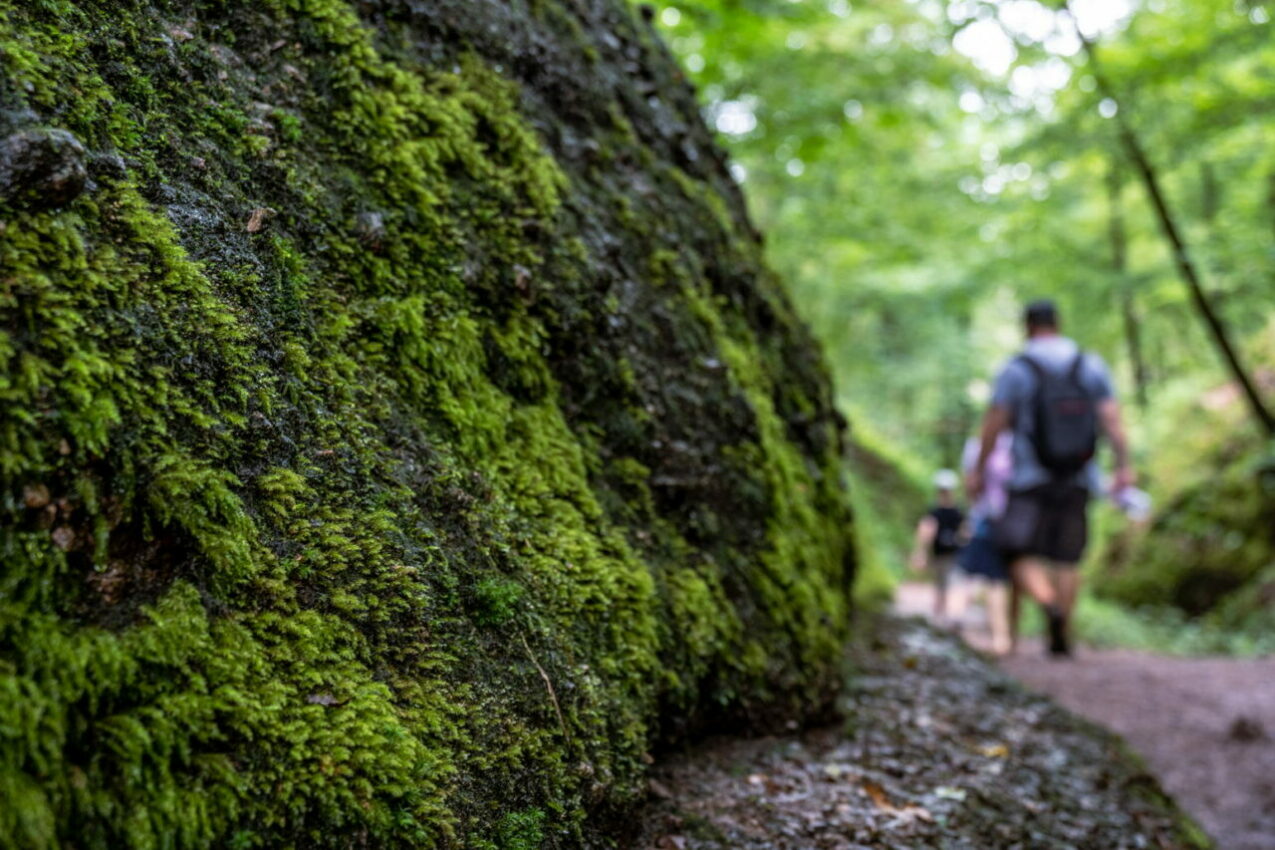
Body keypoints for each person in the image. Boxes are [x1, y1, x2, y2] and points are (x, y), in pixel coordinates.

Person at [968, 299, 1133, 657]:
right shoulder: (1090, 365)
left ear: (1027, 326)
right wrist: (1123, 466)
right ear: (1058, 323)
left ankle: (1047, 604)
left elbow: (995, 421)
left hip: (1029, 477)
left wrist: (978, 470)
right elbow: (1113, 419)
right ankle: (1063, 635)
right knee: (1068, 557)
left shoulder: (1016, 369)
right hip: (1079, 476)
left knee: (1015, 550)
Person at [952, 430, 1015, 655]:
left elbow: (970, 486)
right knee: (997, 581)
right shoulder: (1019, 443)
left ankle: (961, 622)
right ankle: (1002, 637)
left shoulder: (976, 446)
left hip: (984, 519)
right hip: (1014, 521)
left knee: (971, 576)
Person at [909, 469, 965, 622]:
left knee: (951, 582)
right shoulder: (935, 511)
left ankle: (948, 616)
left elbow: (965, 531)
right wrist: (920, 552)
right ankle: (940, 614)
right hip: (939, 553)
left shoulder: (958, 511)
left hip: (954, 554)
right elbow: (926, 530)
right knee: (940, 582)